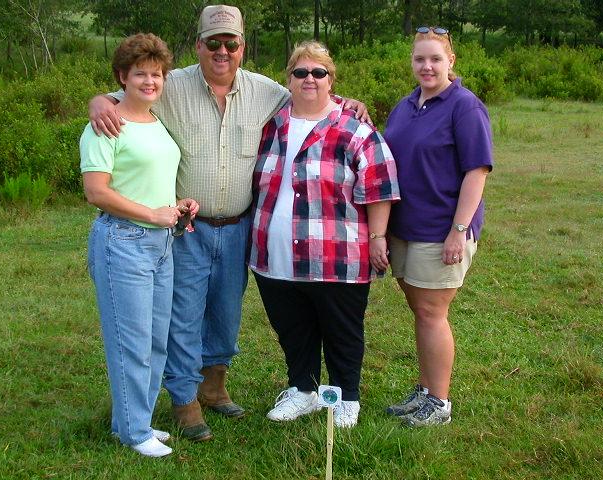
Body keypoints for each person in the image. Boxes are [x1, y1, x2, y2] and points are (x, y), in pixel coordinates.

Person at [88, 5, 371, 441]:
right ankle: (184, 400)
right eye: (213, 43)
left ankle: (214, 387)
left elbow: (312, 95)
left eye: (231, 43)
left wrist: (350, 103)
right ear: (199, 44)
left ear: (242, 46)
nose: (222, 51)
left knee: (225, 312)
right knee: (183, 314)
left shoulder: (267, 91)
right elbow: (127, 94)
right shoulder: (171, 84)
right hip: (187, 228)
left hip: (240, 226)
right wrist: (98, 101)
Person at [249, 41, 400, 428]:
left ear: (331, 79)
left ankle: (347, 396)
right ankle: (303, 390)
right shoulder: (271, 124)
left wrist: (378, 237)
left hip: (337, 256)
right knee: (293, 330)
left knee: (342, 331)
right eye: (301, 73)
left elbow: (379, 185)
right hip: (274, 254)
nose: (310, 79)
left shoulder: (354, 129)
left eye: (319, 73)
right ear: (289, 79)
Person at [81, 33, 199, 457]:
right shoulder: (105, 125)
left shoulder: (156, 121)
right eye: (140, 74)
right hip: (123, 242)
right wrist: (151, 215)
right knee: (130, 340)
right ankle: (133, 433)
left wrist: (177, 205)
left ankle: (136, 421)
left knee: (155, 340)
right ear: (122, 77)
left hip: (162, 244)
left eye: (156, 74)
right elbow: (96, 192)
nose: (150, 81)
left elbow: (153, 181)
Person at [383, 26, 493, 427]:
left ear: (451, 62)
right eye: (419, 59)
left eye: (435, 59)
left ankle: (440, 403)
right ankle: (426, 390)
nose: (426, 66)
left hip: (442, 230)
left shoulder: (465, 107)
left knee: (432, 312)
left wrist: (458, 231)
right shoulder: (407, 104)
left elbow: (476, 171)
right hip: (405, 227)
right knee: (421, 310)